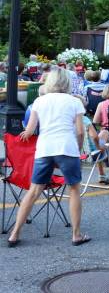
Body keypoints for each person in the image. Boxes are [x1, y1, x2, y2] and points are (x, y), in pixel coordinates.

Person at [7, 67, 90, 247]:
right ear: (67, 82)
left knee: (34, 191)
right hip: (67, 147)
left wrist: (23, 136)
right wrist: (78, 146)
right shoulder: (74, 102)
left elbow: (29, 131)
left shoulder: (39, 101)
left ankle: (15, 233)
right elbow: (80, 130)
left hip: (45, 148)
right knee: (74, 189)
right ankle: (76, 234)